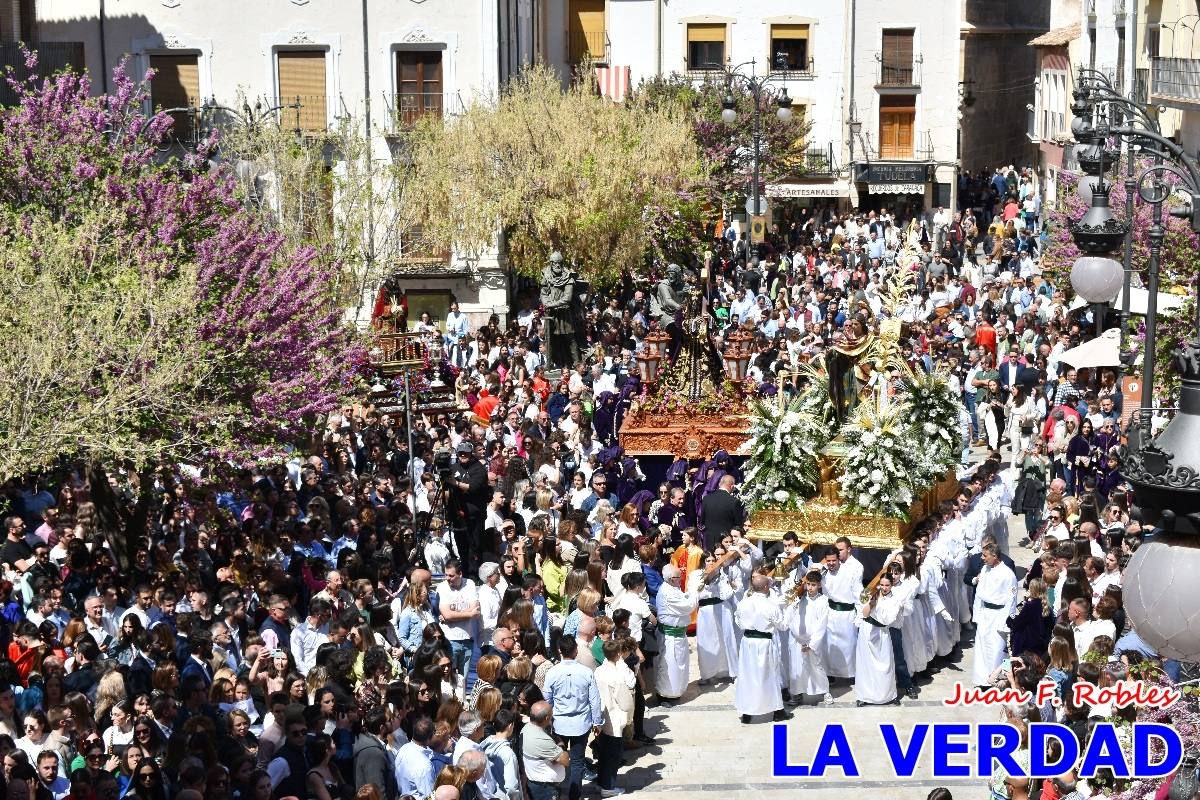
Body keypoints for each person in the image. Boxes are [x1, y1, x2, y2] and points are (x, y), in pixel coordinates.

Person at [543, 636, 602, 800]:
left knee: (556, 758)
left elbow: (547, 699)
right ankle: (574, 796)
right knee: (577, 762)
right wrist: (597, 722)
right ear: (576, 651)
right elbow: (594, 700)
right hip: (580, 724)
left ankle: (556, 791)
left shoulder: (553, 672)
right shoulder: (586, 672)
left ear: (560, 651)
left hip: (559, 724)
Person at [734, 574, 791, 723]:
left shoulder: (743, 603)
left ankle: (747, 712)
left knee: (748, 676)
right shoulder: (770, 606)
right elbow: (783, 626)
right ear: (766, 587)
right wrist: (791, 609)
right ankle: (778, 711)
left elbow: (738, 622)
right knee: (769, 676)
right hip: (764, 644)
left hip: (747, 643)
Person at [971, 544, 1019, 687]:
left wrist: (1006, 622)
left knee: (999, 649)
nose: (982, 558)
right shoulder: (985, 569)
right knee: (982, 649)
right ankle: (982, 680)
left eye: (985, 555)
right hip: (985, 614)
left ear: (995, 556)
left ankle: (999, 681)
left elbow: (1011, 600)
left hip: (999, 615)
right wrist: (977, 615)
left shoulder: (1007, 574)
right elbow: (979, 594)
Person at [593, 639, 636, 797]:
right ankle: (608, 787)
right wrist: (630, 718)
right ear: (618, 654)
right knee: (613, 755)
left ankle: (601, 782)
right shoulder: (616, 675)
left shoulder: (598, 671)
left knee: (603, 753)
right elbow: (626, 702)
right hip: (614, 719)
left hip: (601, 717)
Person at [853, 574, 903, 707]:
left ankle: (888, 695)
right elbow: (863, 613)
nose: (884, 588)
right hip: (867, 631)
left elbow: (888, 619)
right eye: (882, 585)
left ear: (891, 585)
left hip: (882, 633)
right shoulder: (871, 594)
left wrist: (877, 606)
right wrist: (871, 603)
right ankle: (864, 695)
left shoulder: (895, 600)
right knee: (866, 665)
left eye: (887, 585)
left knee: (884, 664)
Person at [653, 564, 699, 705]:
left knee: (679, 666)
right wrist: (695, 590)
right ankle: (665, 695)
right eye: (678, 577)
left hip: (678, 634)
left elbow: (683, 597)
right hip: (670, 636)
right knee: (669, 667)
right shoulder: (667, 592)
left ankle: (675, 692)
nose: (680, 580)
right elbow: (688, 606)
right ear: (671, 578)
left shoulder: (672, 588)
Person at [785, 571, 831, 705]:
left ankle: (825, 691)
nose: (810, 588)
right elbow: (791, 617)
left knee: (817, 666)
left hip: (812, 641)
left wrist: (811, 644)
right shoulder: (799, 599)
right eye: (808, 584)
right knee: (796, 668)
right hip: (797, 640)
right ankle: (797, 694)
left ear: (819, 586)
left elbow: (822, 624)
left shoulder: (823, 602)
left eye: (813, 585)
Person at [819, 546, 862, 682]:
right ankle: (830, 673)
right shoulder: (824, 574)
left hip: (847, 614)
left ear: (839, 559)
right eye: (828, 561)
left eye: (833, 560)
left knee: (849, 646)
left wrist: (859, 614)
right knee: (829, 645)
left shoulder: (850, 573)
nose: (831, 563)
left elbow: (858, 594)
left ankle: (851, 674)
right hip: (830, 613)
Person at [520, 702, 569, 800]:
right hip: (545, 789)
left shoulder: (526, 729)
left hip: (537, 785)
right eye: (551, 715)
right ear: (547, 718)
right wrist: (560, 744)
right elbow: (565, 760)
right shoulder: (543, 740)